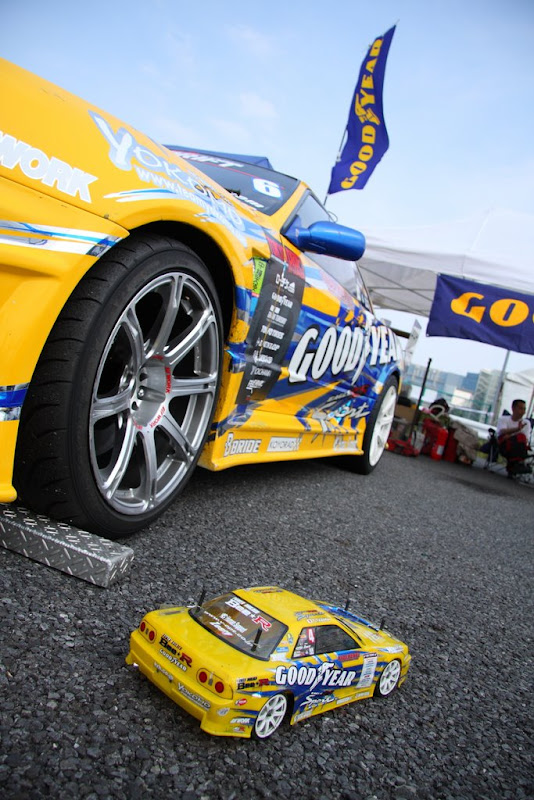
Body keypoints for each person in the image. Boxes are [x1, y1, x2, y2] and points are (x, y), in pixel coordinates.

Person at [496, 399, 532, 476]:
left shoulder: (526, 423)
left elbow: (525, 439)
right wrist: (517, 429)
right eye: (520, 408)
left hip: (518, 448)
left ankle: (514, 465)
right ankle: (516, 465)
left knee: (521, 438)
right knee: (519, 437)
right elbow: (502, 431)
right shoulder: (503, 419)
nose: (523, 411)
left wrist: (509, 435)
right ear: (513, 408)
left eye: (524, 409)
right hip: (504, 447)